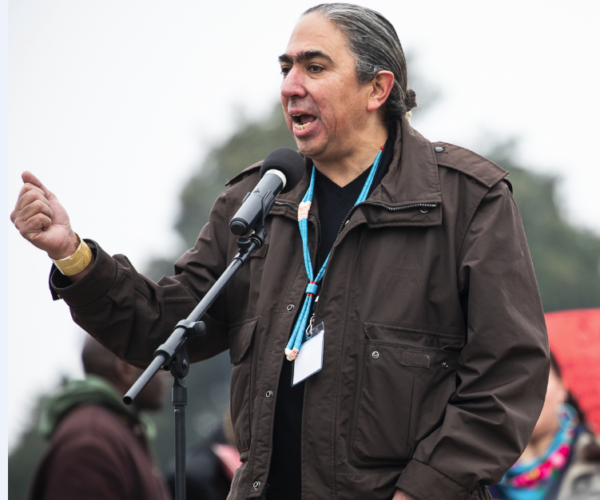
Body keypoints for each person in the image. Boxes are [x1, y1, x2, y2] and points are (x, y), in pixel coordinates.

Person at [11, 4, 549, 500]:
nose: (291, 86)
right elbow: (163, 325)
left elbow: (508, 374)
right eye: (286, 67)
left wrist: (424, 490)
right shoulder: (255, 202)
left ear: (377, 88)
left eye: (315, 67)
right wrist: (73, 255)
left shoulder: (466, 200)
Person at [28, 336, 172, 500]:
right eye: (158, 361)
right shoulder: (91, 441)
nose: (167, 372)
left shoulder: (115, 431)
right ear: (126, 369)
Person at [488, 354, 600, 500]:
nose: (526, 394)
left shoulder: (594, 462)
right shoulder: (473, 479)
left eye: (537, 380)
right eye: (512, 383)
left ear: (562, 387)